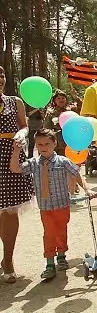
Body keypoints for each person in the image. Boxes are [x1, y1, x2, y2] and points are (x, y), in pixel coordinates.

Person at [9, 128, 94, 280]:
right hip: (46, 207)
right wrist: (16, 151)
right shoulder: (34, 163)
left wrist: (87, 190)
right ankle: (49, 264)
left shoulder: (63, 161)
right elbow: (15, 169)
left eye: (47, 143)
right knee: (49, 233)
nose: (43, 147)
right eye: (40, 144)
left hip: (62, 205)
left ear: (54, 143)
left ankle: (61, 256)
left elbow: (76, 173)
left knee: (61, 230)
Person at [0, 66, 35, 283]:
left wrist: (22, 134)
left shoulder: (15, 102)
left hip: (10, 158)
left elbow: (24, 126)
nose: (0, 79)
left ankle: (9, 260)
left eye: (2, 75)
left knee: (9, 212)